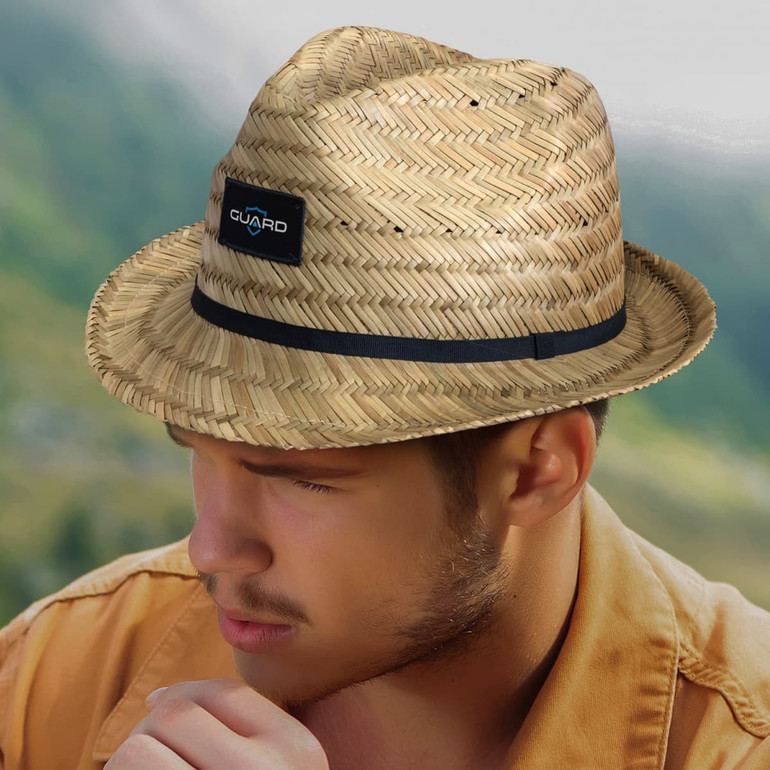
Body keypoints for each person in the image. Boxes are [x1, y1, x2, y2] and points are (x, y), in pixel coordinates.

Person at [1, 25, 768, 770]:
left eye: (302, 476)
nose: (211, 547)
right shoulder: (53, 674)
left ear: (538, 470)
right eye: (200, 453)